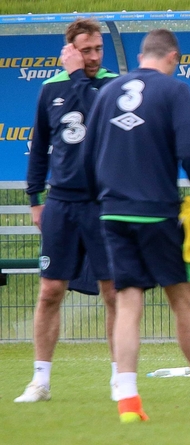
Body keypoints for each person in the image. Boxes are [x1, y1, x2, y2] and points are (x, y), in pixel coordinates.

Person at [82, 29, 190, 423]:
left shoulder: (111, 90)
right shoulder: (174, 90)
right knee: (184, 301)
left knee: (129, 302)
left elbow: (88, 154)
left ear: (142, 54)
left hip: (113, 212)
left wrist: (107, 197)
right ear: (173, 57)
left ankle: (128, 401)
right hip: (156, 213)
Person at [16, 18, 119, 404]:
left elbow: (102, 119)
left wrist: (79, 77)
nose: (93, 57)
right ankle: (39, 380)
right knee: (50, 291)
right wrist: (34, 199)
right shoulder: (50, 90)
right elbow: (39, 146)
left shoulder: (112, 86)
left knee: (113, 292)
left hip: (103, 204)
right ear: (71, 50)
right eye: (86, 50)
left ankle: (118, 378)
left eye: (98, 49)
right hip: (61, 203)